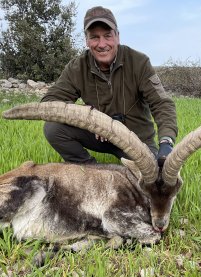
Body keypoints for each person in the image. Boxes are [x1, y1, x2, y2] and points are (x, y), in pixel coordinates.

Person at [41, 6, 177, 166]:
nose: (102, 44)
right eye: (94, 37)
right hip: (98, 135)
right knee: (53, 128)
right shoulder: (77, 67)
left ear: (117, 36)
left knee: (152, 178)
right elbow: (48, 103)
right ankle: (92, 171)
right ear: (86, 40)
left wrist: (166, 143)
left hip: (136, 141)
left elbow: (161, 103)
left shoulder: (140, 62)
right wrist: (89, 117)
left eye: (107, 36)